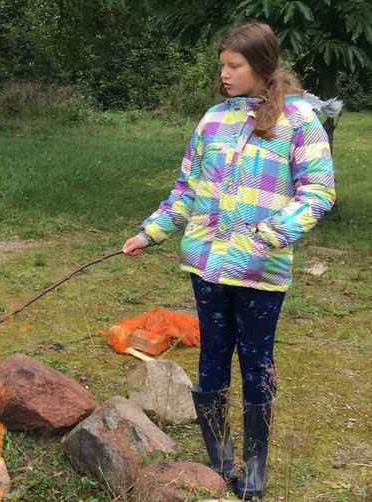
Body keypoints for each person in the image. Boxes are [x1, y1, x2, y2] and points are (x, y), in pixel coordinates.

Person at [122, 21, 335, 499]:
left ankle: (255, 467)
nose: (225, 74)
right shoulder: (213, 120)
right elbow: (186, 191)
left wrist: (270, 235)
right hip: (207, 265)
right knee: (213, 357)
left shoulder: (300, 121)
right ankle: (220, 458)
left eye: (234, 65)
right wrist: (149, 233)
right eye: (222, 65)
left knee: (257, 362)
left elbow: (319, 191)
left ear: (260, 66)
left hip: (260, 270)